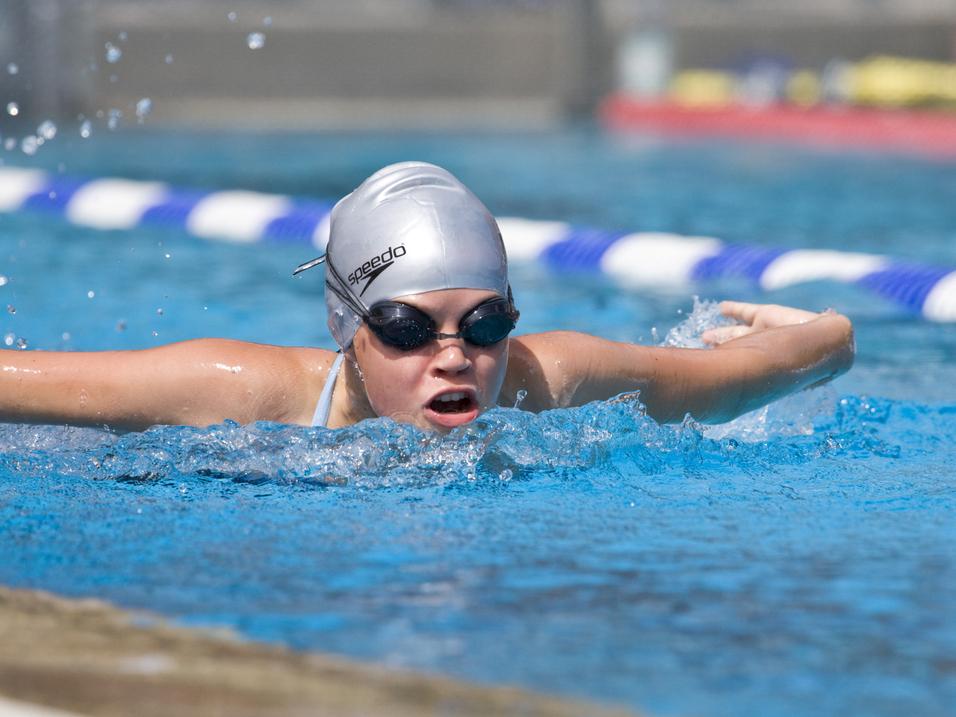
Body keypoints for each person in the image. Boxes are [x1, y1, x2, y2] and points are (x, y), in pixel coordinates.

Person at [0, 162, 854, 433]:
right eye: (406, 327)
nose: (455, 354)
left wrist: (824, 332)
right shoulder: (242, 393)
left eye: (484, 323)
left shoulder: (542, 381)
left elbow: (747, 375)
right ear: (347, 330)